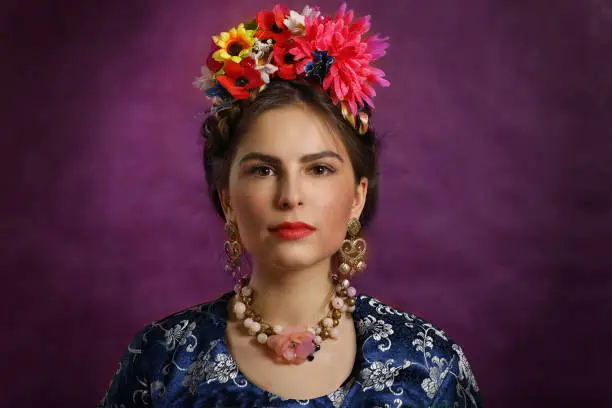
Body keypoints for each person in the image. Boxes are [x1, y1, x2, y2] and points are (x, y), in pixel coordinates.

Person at [99, 3, 484, 407]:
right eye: (263, 170)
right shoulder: (163, 360)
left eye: (318, 169)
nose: (290, 196)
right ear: (227, 200)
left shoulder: (427, 367)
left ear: (358, 197)